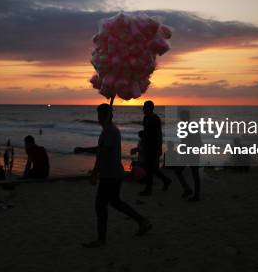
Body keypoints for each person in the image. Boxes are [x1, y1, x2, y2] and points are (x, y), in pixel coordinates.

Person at [74, 103, 152, 248]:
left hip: (110, 174)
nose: (98, 118)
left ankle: (101, 239)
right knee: (115, 202)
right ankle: (142, 221)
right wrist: (84, 149)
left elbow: (103, 154)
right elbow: (101, 149)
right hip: (113, 173)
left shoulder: (109, 131)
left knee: (100, 205)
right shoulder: (108, 131)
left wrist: (95, 173)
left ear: (105, 116)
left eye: (100, 115)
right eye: (98, 114)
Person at [139, 100, 171, 196]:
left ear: (150, 108)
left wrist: (159, 147)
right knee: (150, 168)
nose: (143, 109)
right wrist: (142, 143)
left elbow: (159, 134)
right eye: (143, 107)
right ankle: (165, 180)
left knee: (150, 168)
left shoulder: (155, 119)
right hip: (147, 146)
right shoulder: (145, 118)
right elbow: (145, 132)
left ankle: (149, 189)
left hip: (154, 147)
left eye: (145, 107)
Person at [171, 110, 201, 202]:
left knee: (194, 174)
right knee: (178, 171)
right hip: (187, 153)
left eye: (183, 116)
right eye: (181, 116)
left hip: (192, 153)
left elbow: (198, 141)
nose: (182, 118)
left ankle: (195, 195)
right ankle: (187, 189)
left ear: (188, 117)